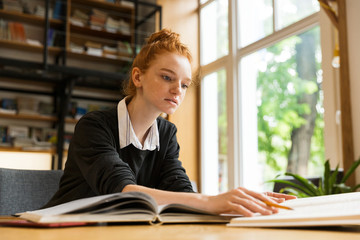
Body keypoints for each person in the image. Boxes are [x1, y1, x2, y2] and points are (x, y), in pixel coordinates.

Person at [44, 29, 295, 217]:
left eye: (185, 84)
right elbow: (121, 190)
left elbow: (180, 189)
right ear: (138, 76)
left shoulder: (166, 133)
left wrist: (240, 201)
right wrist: (211, 201)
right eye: (167, 77)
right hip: (59, 229)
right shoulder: (94, 126)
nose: (178, 90)